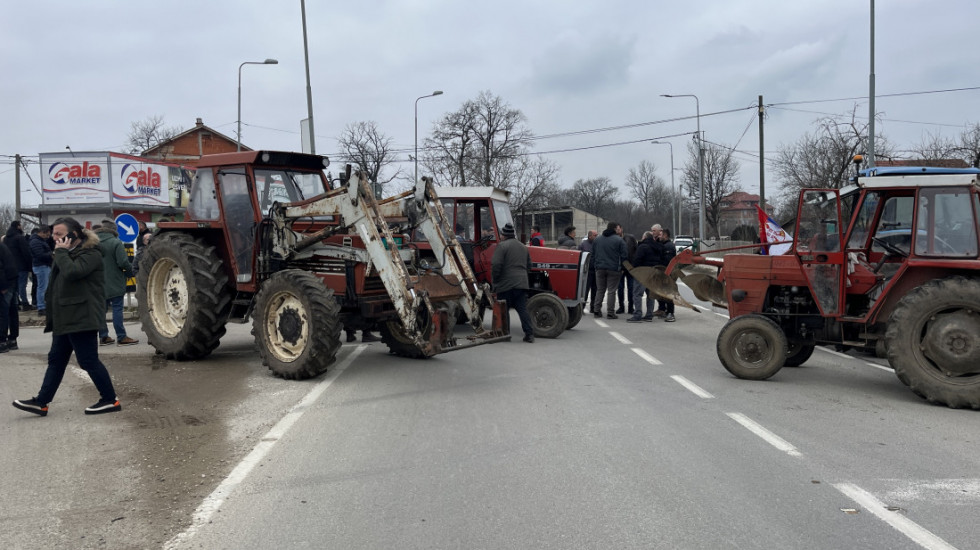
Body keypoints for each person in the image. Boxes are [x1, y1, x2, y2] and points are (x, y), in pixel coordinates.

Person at [12, 217, 122, 416]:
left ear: (75, 234)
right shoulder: (66, 253)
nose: (55, 238)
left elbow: (73, 272)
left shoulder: (91, 253)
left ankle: (110, 399)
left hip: (82, 316)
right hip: (66, 316)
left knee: (88, 360)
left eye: (59, 234)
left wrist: (61, 252)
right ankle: (42, 402)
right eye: (54, 234)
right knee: (56, 359)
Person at [95, 219, 139, 346]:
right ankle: (121, 336)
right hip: (115, 281)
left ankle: (103, 337)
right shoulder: (115, 242)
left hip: (98, 282)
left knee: (101, 311)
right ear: (113, 230)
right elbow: (123, 263)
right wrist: (129, 273)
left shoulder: (93, 243)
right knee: (117, 309)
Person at [491, 222, 534, 343]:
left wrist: (496, 280)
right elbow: (529, 265)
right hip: (521, 283)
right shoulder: (523, 246)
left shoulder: (502, 246)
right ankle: (529, 334)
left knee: (504, 309)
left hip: (506, 284)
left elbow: (496, 264)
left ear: (504, 235)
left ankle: (505, 334)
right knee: (522, 309)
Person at [592, 222, 627, 319]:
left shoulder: (597, 239)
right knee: (611, 291)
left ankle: (596, 310)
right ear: (615, 228)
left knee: (600, 290)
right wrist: (623, 268)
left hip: (599, 268)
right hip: (614, 269)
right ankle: (610, 312)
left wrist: (596, 265)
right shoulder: (619, 240)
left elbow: (593, 254)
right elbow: (624, 255)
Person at [627, 231, 662, 322]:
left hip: (642, 274)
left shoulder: (642, 247)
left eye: (643, 237)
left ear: (645, 237)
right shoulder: (657, 247)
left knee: (637, 294)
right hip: (653, 273)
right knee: (650, 295)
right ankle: (649, 315)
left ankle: (637, 314)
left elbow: (637, 260)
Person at [5, 221, 32, 311]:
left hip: (10, 266)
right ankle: (25, 303)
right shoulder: (20, 238)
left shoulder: (6, 239)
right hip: (21, 265)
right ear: (18, 226)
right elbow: (26, 252)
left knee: (14, 286)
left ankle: (16, 303)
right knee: (22, 285)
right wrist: (29, 264)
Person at [0, 239, 19, 352]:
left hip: (4, 283)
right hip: (11, 281)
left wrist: (2, 286)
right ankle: (12, 339)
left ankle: (1, 341)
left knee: (2, 313)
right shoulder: (3, 247)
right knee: (12, 312)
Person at [30, 224, 53, 316]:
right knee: (42, 287)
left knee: (43, 287)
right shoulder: (36, 242)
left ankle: (42, 305)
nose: (48, 237)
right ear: (42, 232)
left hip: (42, 266)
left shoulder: (38, 241)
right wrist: (51, 254)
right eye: (47, 235)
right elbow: (39, 255)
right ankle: (41, 307)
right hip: (41, 266)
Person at [658, 227, 677, 322]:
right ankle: (665, 311)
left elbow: (667, 262)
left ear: (665, 235)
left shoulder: (668, 246)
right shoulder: (663, 245)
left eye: (660, 235)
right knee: (664, 293)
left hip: (668, 273)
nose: (659, 236)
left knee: (669, 293)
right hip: (664, 272)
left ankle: (670, 313)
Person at [616, 232, 638, 314]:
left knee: (625, 288)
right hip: (626, 267)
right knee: (626, 288)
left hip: (626, 267)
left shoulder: (626, 240)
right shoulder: (631, 242)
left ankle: (626, 307)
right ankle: (626, 307)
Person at [579, 230, 598, 314]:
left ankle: (593, 307)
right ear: (590, 236)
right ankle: (581, 308)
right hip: (587, 271)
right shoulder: (583, 244)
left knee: (595, 289)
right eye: (595, 235)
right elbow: (579, 256)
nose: (596, 237)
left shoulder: (598, 244)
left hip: (596, 270)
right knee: (585, 290)